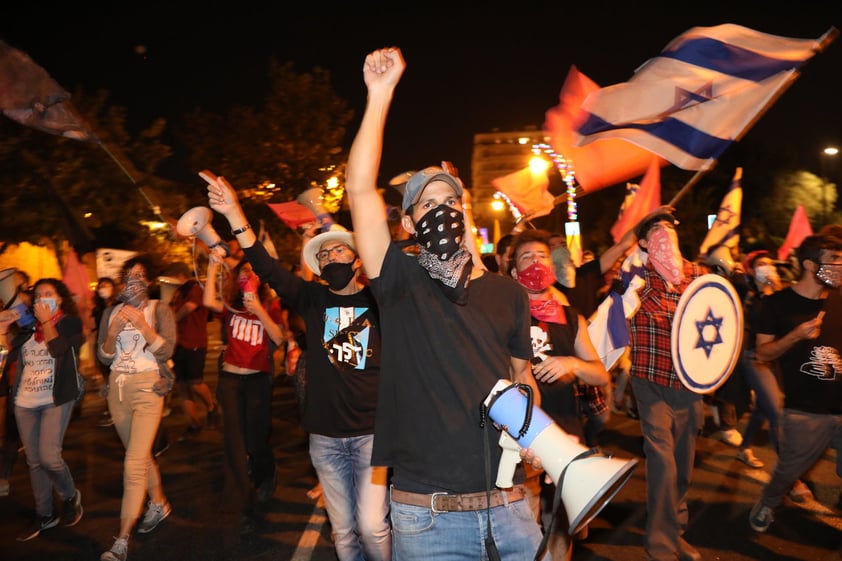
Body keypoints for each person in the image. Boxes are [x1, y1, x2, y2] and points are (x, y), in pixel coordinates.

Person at [341, 46, 547, 561]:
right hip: (427, 515)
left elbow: (522, 378)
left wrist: (535, 435)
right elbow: (359, 189)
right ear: (409, 226)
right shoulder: (400, 279)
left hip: (510, 507)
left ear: (464, 211)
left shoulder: (507, 292)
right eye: (427, 204)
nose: (441, 211)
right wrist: (380, 95)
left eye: (449, 200)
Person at [206, 181, 391, 561]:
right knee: (342, 533)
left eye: (339, 249)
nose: (330, 257)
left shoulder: (381, 300)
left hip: (372, 436)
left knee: (372, 527)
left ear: (358, 259)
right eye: (323, 256)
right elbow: (263, 264)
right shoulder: (311, 299)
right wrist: (232, 214)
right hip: (324, 439)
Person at [509, 228, 610, 561]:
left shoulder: (571, 318)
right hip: (521, 434)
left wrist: (573, 364)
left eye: (542, 256)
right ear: (513, 273)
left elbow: (599, 372)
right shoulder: (504, 316)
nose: (536, 262)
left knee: (561, 527)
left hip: (567, 430)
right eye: (527, 257)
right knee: (524, 526)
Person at [749, 233, 842, 533]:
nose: (840, 267)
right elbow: (762, 353)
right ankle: (768, 501)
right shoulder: (777, 305)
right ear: (808, 264)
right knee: (788, 471)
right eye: (834, 261)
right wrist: (795, 337)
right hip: (806, 410)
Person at [626, 211, 706, 561]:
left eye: (670, 228)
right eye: (657, 230)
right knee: (663, 462)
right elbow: (617, 316)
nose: (665, 234)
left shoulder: (698, 275)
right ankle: (660, 544)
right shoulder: (634, 277)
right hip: (650, 379)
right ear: (643, 242)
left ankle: (676, 532)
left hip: (688, 384)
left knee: (683, 463)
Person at [98, 255, 176, 561]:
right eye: (129, 276)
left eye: (141, 276)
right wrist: (112, 332)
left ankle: (121, 540)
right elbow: (104, 357)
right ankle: (158, 502)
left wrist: (143, 326)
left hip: (148, 388)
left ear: (150, 281)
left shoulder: (161, 309)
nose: (134, 281)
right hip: (117, 389)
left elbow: (168, 349)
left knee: (132, 464)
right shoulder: (111, 312)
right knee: (139, 455)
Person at [202, 253, 285, 533]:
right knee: (235, 443)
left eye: (250, 271)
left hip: (257, 381)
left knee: (257, 440)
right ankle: (242, 501)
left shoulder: (269, 306)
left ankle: (266, 472)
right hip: (230, 379)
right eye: (241, 271)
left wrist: (259, 309)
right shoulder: (230, 306)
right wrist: (213, 267)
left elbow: (278, 338)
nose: (245, 275)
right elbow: (207, 302)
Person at [0, 278, 85, 541]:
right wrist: (3, 330)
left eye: (49, 293)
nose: (42, 298)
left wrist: (47, 322)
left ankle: (70, 495)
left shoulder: (70, 323)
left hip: (55, 399)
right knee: (34, 462)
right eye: (37, 295)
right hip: (26, 402)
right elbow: (3, 361)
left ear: (60, 299)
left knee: (49, 457)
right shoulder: (26, 330)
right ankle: (45, 513)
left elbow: (59, 349)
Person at [163, 262, 219, 439]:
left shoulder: (195, 288)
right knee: (182, 386)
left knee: (195, 382)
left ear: (180, 274)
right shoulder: (178, 291)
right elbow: (170, 308)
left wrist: (172, 318)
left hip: (195, 342)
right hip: (178, 344)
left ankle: (211, 406)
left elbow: (190, 307)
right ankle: (193, 424)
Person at [93, 277, 119, 428]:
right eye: (101, 286)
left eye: (106, 285)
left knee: (115, 379)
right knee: (106, 380)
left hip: (117, 346)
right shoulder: (97, 308)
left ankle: (116, 410)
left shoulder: (118, 306)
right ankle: (110, 409)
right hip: (102, 346)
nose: (103, 288)